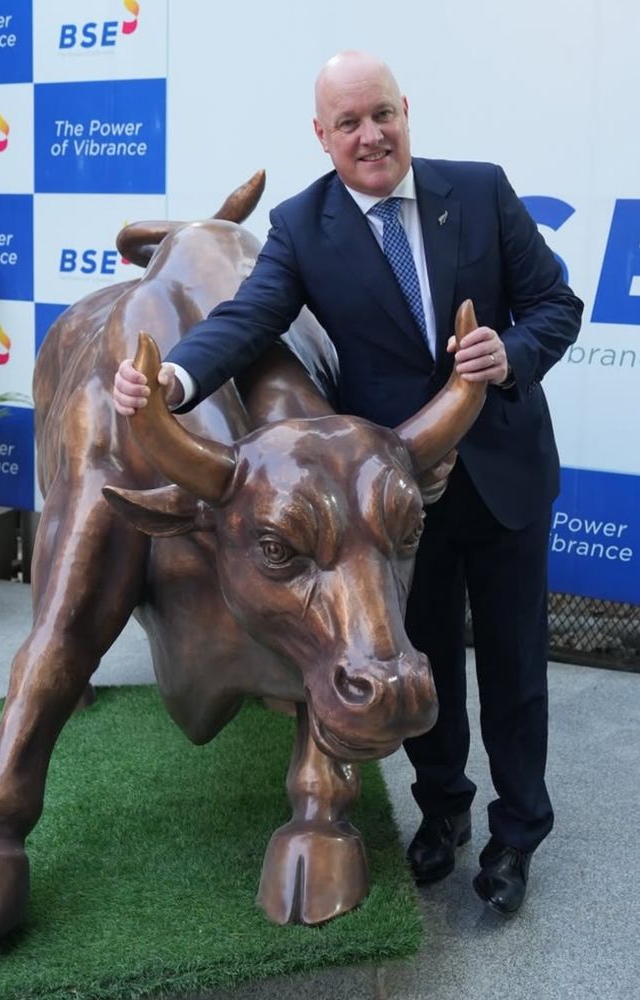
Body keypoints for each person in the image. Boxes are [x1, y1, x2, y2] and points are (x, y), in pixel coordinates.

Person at [114, 50, 583, 915]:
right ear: (322, 137)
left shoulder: (479, 191)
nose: (370, 135)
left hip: (505, 476)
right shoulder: (302, 223)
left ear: (405, 110)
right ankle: (442, 812)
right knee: (419, 650)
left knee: (515, 669)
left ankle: (518, 835)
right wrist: (173, 383)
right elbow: (248, 319)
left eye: (381, 115)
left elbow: (557, 305)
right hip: (388, 504)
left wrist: (509, 355)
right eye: (348, 123)